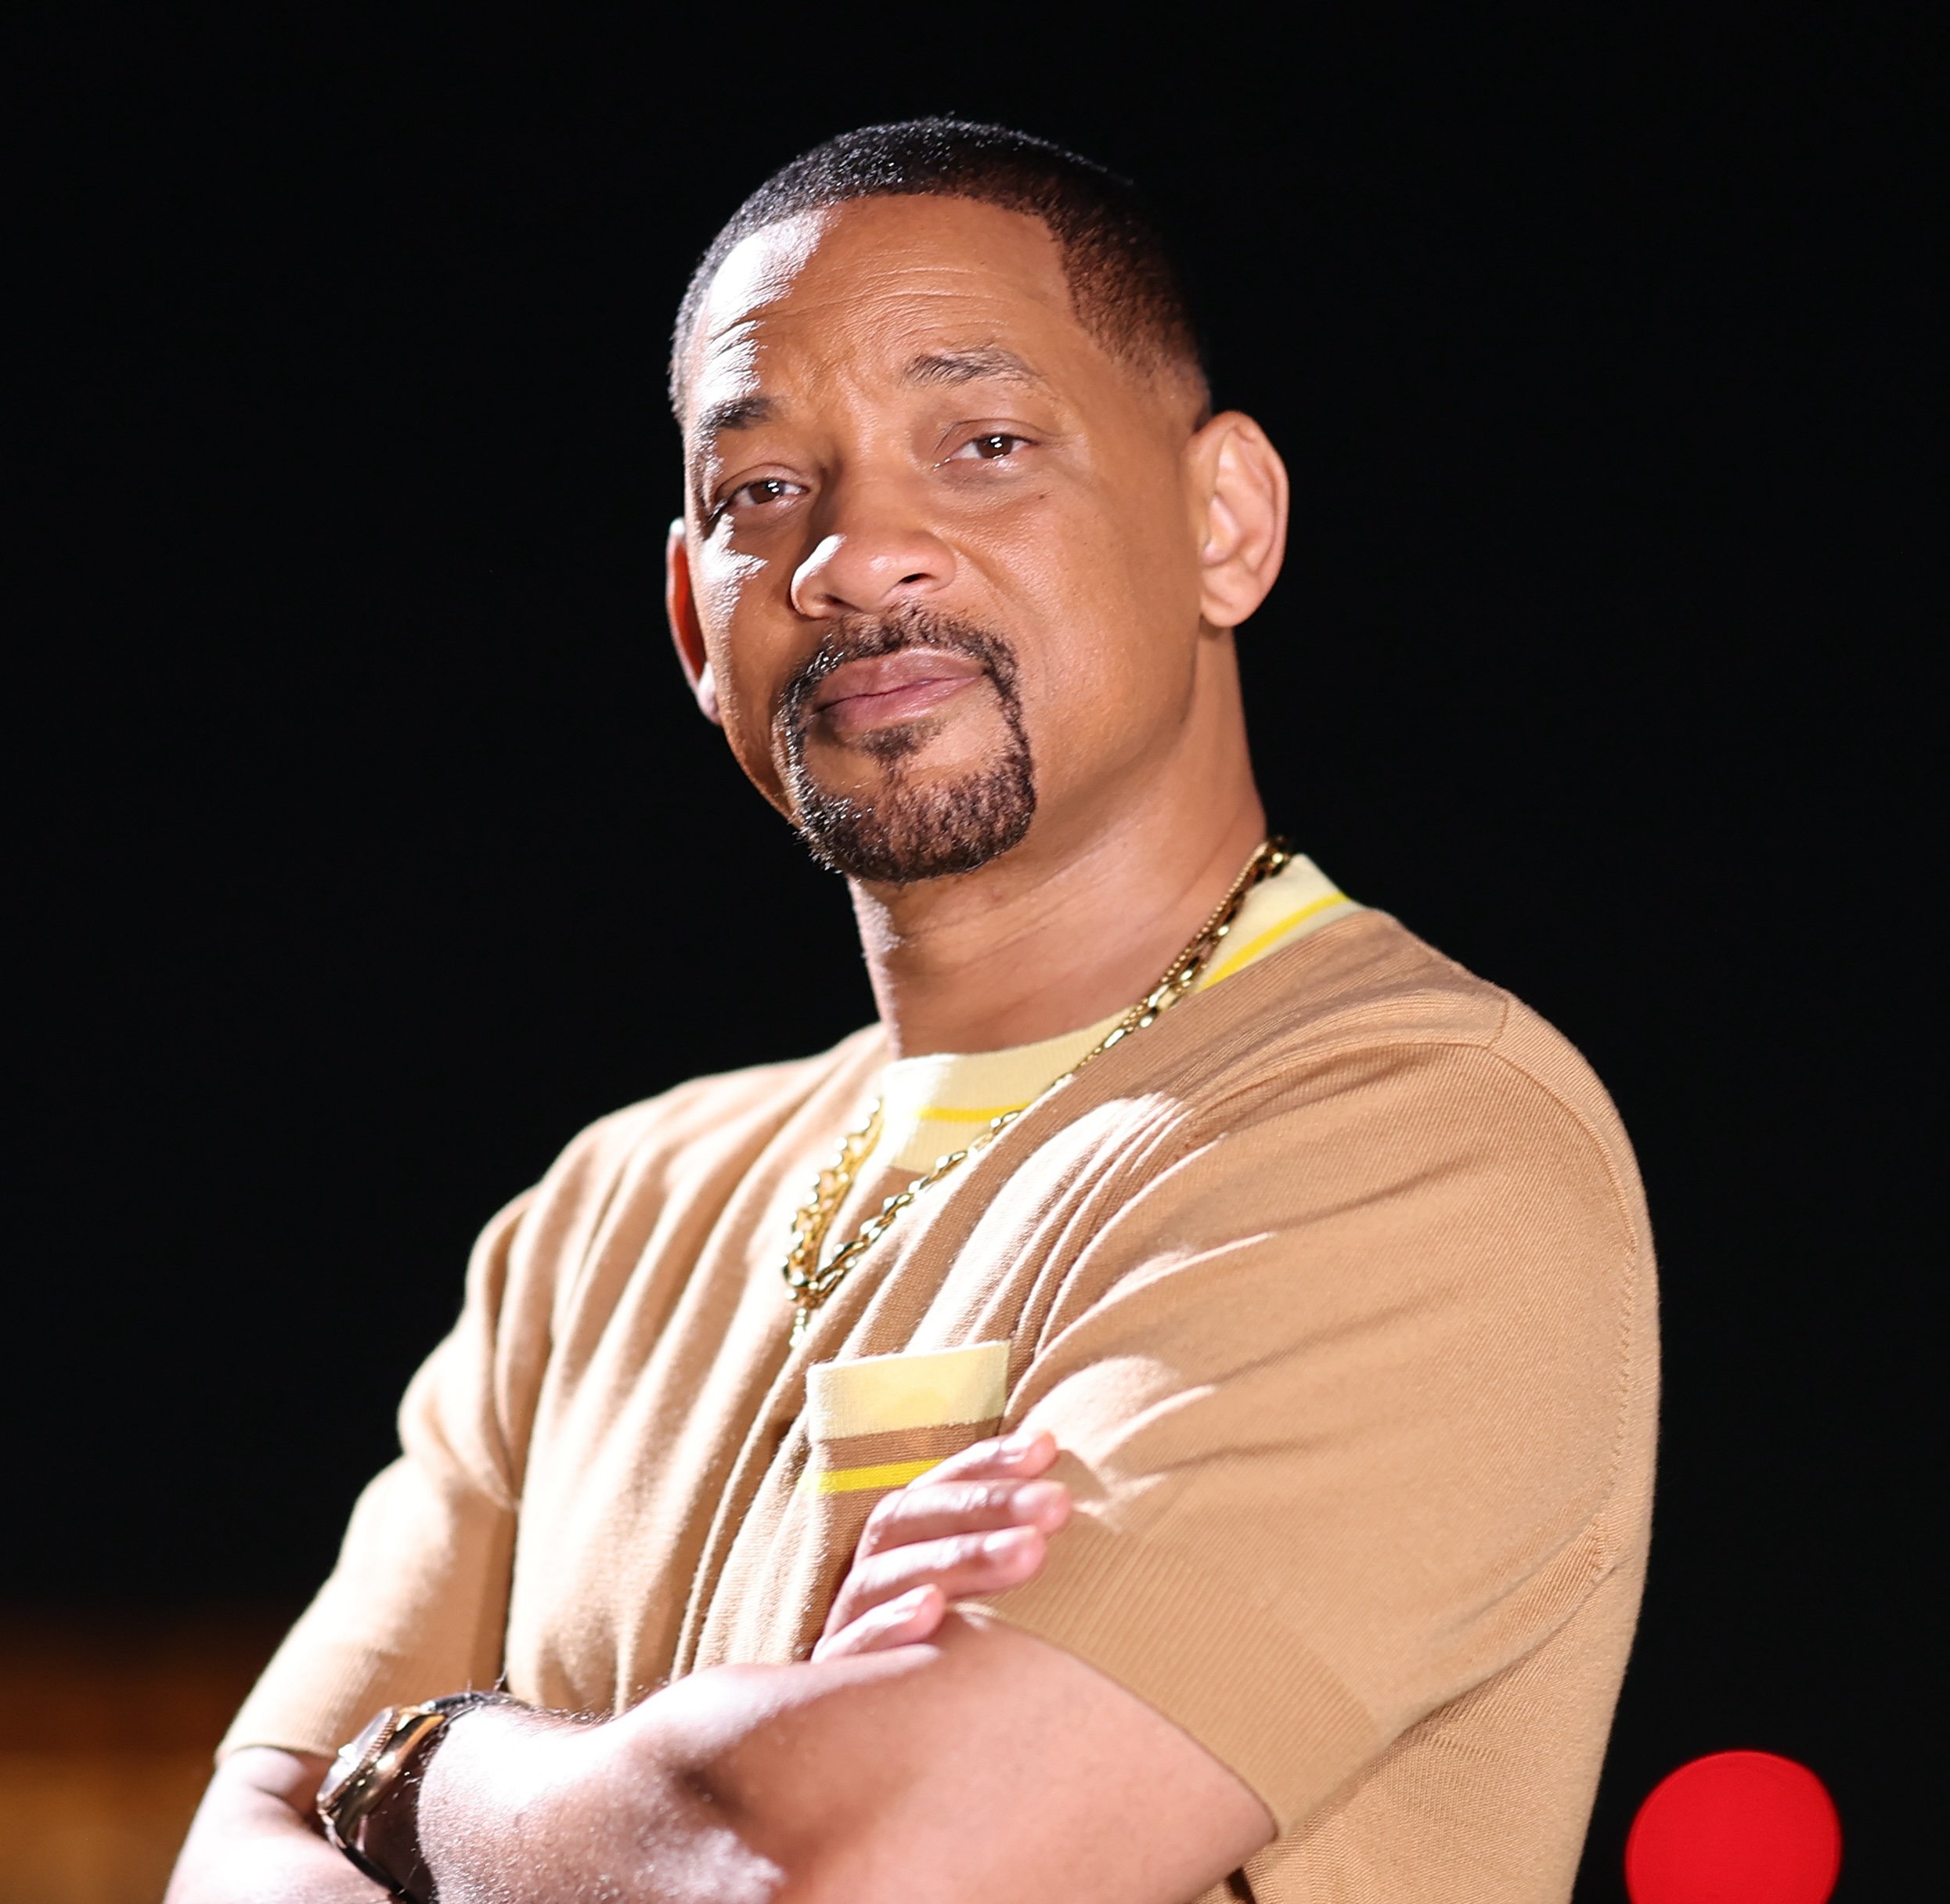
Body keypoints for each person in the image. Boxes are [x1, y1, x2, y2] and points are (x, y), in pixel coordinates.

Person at [168, 120, 1658, 1904]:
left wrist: (424, 1770)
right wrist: (706, 1773)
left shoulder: (1408, 1137)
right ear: (691, 620)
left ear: (1225, 521)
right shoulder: (606, 1216)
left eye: (985, 445)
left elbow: (867, 1872)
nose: (860, 555)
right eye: (761, 490)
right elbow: (231, 1868)